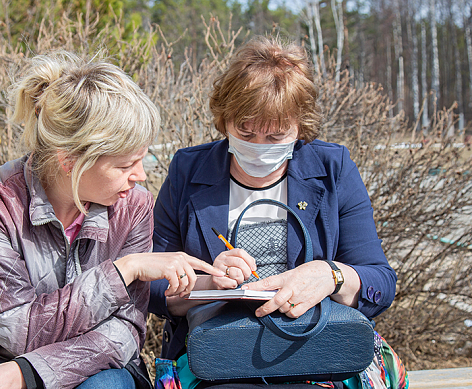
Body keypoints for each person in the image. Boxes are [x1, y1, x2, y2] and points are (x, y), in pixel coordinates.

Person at [0, 52, 223, 389]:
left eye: (141, 159)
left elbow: (125, 330)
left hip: (98, 362)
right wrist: (122, 272)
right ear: (70, 161)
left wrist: (24, 374)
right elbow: (17, 330)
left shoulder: (133, 206)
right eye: (124, 166)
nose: (141, 176)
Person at [149, 36, 398, 388]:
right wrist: (209, 283)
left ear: (301, 128)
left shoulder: (332, 168)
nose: (257, 148)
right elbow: (152, 287)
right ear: (224, 120)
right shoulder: (188, 171)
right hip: (219, 360)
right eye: (245, 132)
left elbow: (381, 283)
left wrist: (330, 275)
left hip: (318, 355)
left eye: (276, 137)